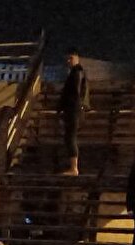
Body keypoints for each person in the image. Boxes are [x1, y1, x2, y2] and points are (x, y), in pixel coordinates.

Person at [58, 48, 90, 177]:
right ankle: (73, 167)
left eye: (71, 58)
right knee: (69, 137)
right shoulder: (76, 72)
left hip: (74, 110)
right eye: (67, 58)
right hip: (75, 109)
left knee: (70, 137)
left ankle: (74, 168)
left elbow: (75, 93)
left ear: (77, 58)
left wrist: (65, 107)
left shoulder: (77, 72)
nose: (68, 61)